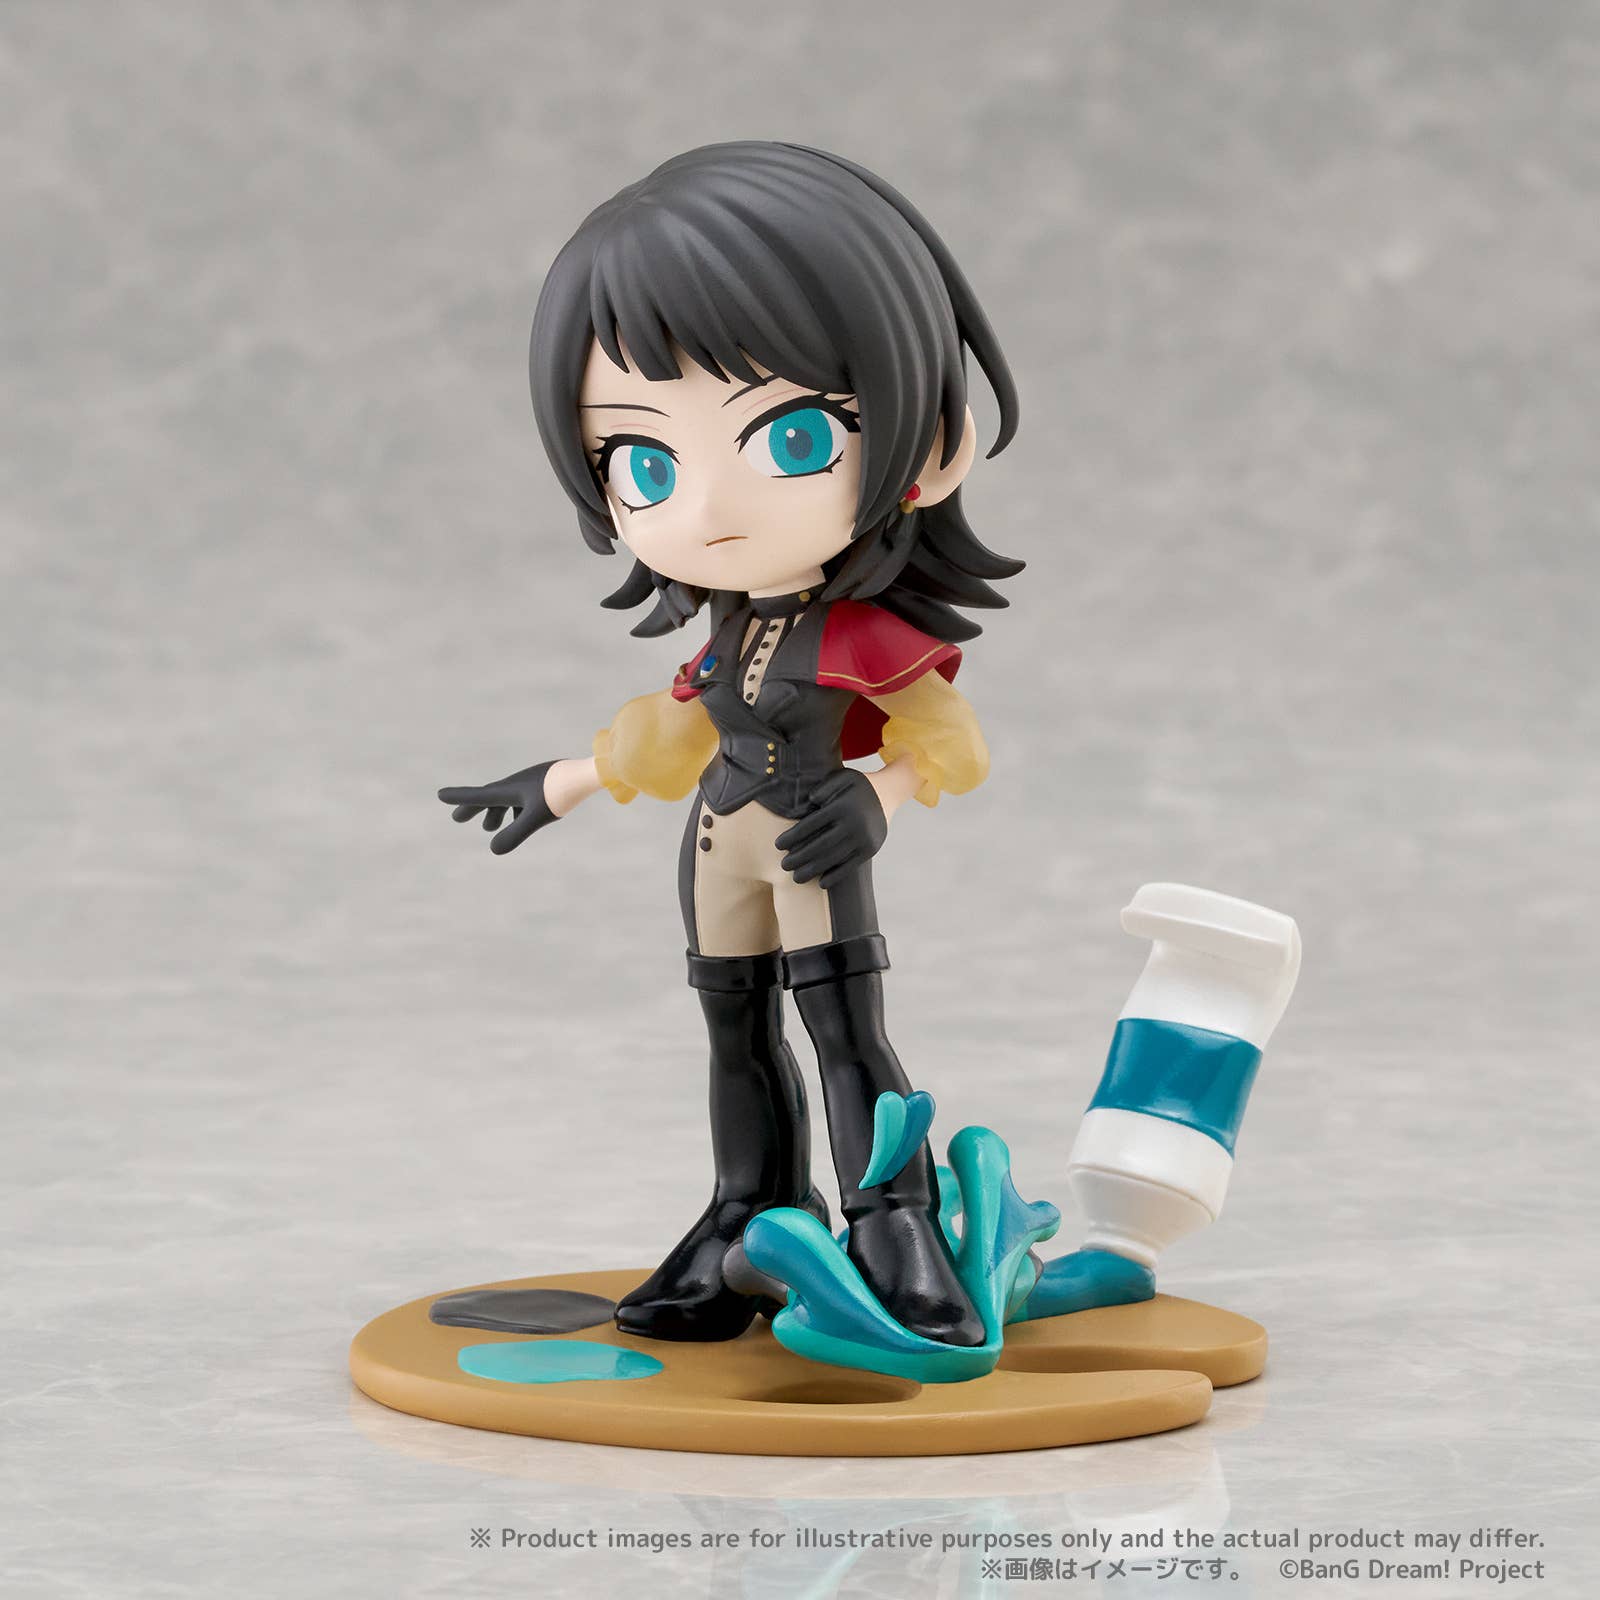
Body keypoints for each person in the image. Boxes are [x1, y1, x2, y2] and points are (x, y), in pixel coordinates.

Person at [439, 142, 1022, 1347]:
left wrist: (878, 797)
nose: (704, 511)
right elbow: (668, 736)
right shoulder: (725, 638)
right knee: (733, 1028)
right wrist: (558, 783)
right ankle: (746, 1210)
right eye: (643, 463)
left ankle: (891, 1220)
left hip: (811, 841)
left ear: (927, 446)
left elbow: (951, 744)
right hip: (719, 845)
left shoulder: (866, 636)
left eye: (791, 438)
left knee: (843, 1029)